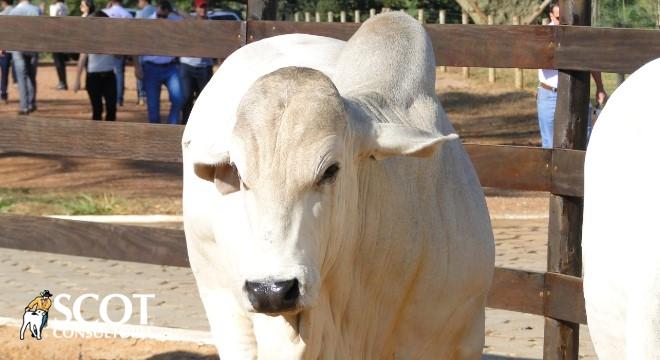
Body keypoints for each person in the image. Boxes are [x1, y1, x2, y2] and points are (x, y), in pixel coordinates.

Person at [537, 2, 607, 148]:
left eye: (564, 18)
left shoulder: (578, 34)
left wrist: (600, 87)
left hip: (577, 89)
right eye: (558, 18)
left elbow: (591, 60)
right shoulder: (543, 35)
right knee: (549, 143)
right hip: (550, 93)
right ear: (551, 16)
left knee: (585, 138)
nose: (562, 22)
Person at [135, 0, 183, 124]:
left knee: (178, 99)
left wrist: (176, 11)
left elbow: (192, 21)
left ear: (168, 12)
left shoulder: (174, 20)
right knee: (153, 107)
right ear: (156, 9)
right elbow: (135, 43)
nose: (162, 19)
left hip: (170, 67)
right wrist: (137, 66)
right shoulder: (148, 22)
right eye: (160, 15)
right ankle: (155, 137)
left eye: (164, 16)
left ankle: (171, 128)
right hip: (151, 68)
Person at [73, 10, 117, 121]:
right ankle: (97, 135)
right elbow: (82, 58)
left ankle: (108, 134)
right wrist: (77, 79)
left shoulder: (112, 38)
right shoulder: (89, 38)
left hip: (109, 75)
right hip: (93, 77)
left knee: (111, 108)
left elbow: (119, 55)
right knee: (97, 109)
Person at [179, 0, 213, 124]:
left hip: (204, 66)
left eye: (205, 6)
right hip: (187, 65)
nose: (203, 9)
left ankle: (201, 125)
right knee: (186, 97)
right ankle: (184, 124)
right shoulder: (188, 22)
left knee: (203, 100)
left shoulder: (213, 24)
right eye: (200, 7)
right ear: (195, 8)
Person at [9, 0, 40, 115]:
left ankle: (24, 106)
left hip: (18, 46)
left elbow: (9, 31)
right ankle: (32, 103)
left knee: (21, 77)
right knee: (32, 76)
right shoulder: (37, 10)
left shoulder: (13, 11)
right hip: (33, 47)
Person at [102, 0, 132, 107]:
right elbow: (131, 34)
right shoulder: (127, 14)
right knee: (119, 73)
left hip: (105, 47)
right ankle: (119, 100)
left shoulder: (104, 12)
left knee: (105, 72)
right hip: (120, 46)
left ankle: (105, 98)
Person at [134, 0, 156, 105]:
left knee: (140, 71)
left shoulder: (141, 13)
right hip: (155, 48)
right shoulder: (156, 10)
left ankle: (142, 96)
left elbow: (136, 31)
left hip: (142, 46)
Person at [49, 0, 69, 90]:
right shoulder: (65, 6)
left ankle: (62, 83)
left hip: (56, 35)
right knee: (61, 61)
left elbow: (52, 20)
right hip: (64, 35)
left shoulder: (55, 7)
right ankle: (63, 82)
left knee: (58, 61)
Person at [0, 0, 14, 103]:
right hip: (13, 49)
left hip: (3, 49)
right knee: (5, 73)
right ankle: (3, 94)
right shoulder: (17, 12)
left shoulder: (2, 14)